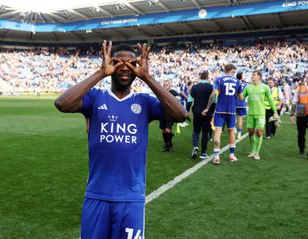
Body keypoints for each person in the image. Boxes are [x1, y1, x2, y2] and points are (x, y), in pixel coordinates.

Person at [54, 41, 187, 239]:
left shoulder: (145, 102)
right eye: (117, 62)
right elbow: (62, 103)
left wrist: (147, 76)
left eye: (131, 63)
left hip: (131, 198)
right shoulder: (95, 98)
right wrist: (100, 73)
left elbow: (180, 114)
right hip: (97, 195)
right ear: (109, 64)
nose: (124, 67)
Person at [202, 64, 243, 165]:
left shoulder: (219, 80)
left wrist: (207, 107)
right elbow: (241, 98)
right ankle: (232, 155)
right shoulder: (238, 82)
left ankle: (216, 156)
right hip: (231, 110)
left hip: (220, 109)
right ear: (231, 70)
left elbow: (213, 94)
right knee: (231, 131)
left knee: (218, 132)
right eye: (234, 71)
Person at [242, 71, 279, 160]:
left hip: (261, 114)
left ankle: (256, 152)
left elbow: (270, 100)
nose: (252, 76)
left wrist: (275, 112)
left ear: (259, 76)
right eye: (252, 74)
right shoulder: (248, 87)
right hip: (250, 113)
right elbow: (241, 98)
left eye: (254, 75)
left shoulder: (265, 87)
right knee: (251, 132)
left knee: (259, 132)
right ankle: (253, 150)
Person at [187, 70, 214, 159]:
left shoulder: (194, 87)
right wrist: (212, 111)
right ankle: (203, 153)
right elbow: (214, 101)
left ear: (200, 77)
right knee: (205, 132)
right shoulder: (211, 87)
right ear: (207, 77)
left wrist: (187, 111)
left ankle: (195, 146)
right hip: (207, 112)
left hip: (197, 112)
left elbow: (189, 100)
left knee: (196, 130)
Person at [160, 79, 179, 152]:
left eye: (167, 85)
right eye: (164, 85)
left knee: (168, 130)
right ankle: (166, 145)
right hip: (162, 113)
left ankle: (170, 144)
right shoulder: (161, 92)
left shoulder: (173, 92)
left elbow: (178, 99)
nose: (165, 86)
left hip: (170, 114)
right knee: (163, 130)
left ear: (170, 85)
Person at [290, 78, 308, 158]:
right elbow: (294, 102)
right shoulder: (299, 89)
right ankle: (301, 149)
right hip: (301, 115)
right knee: (301, 133)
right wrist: (292, 114)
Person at [235, 72, 248, 139]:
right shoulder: (245, 84)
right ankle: (239, 133)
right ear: (241, 76)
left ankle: (233, 127)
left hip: (234, 103)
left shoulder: (234, 82)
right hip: (241, 103)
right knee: (240, 119)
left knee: (232, 118)